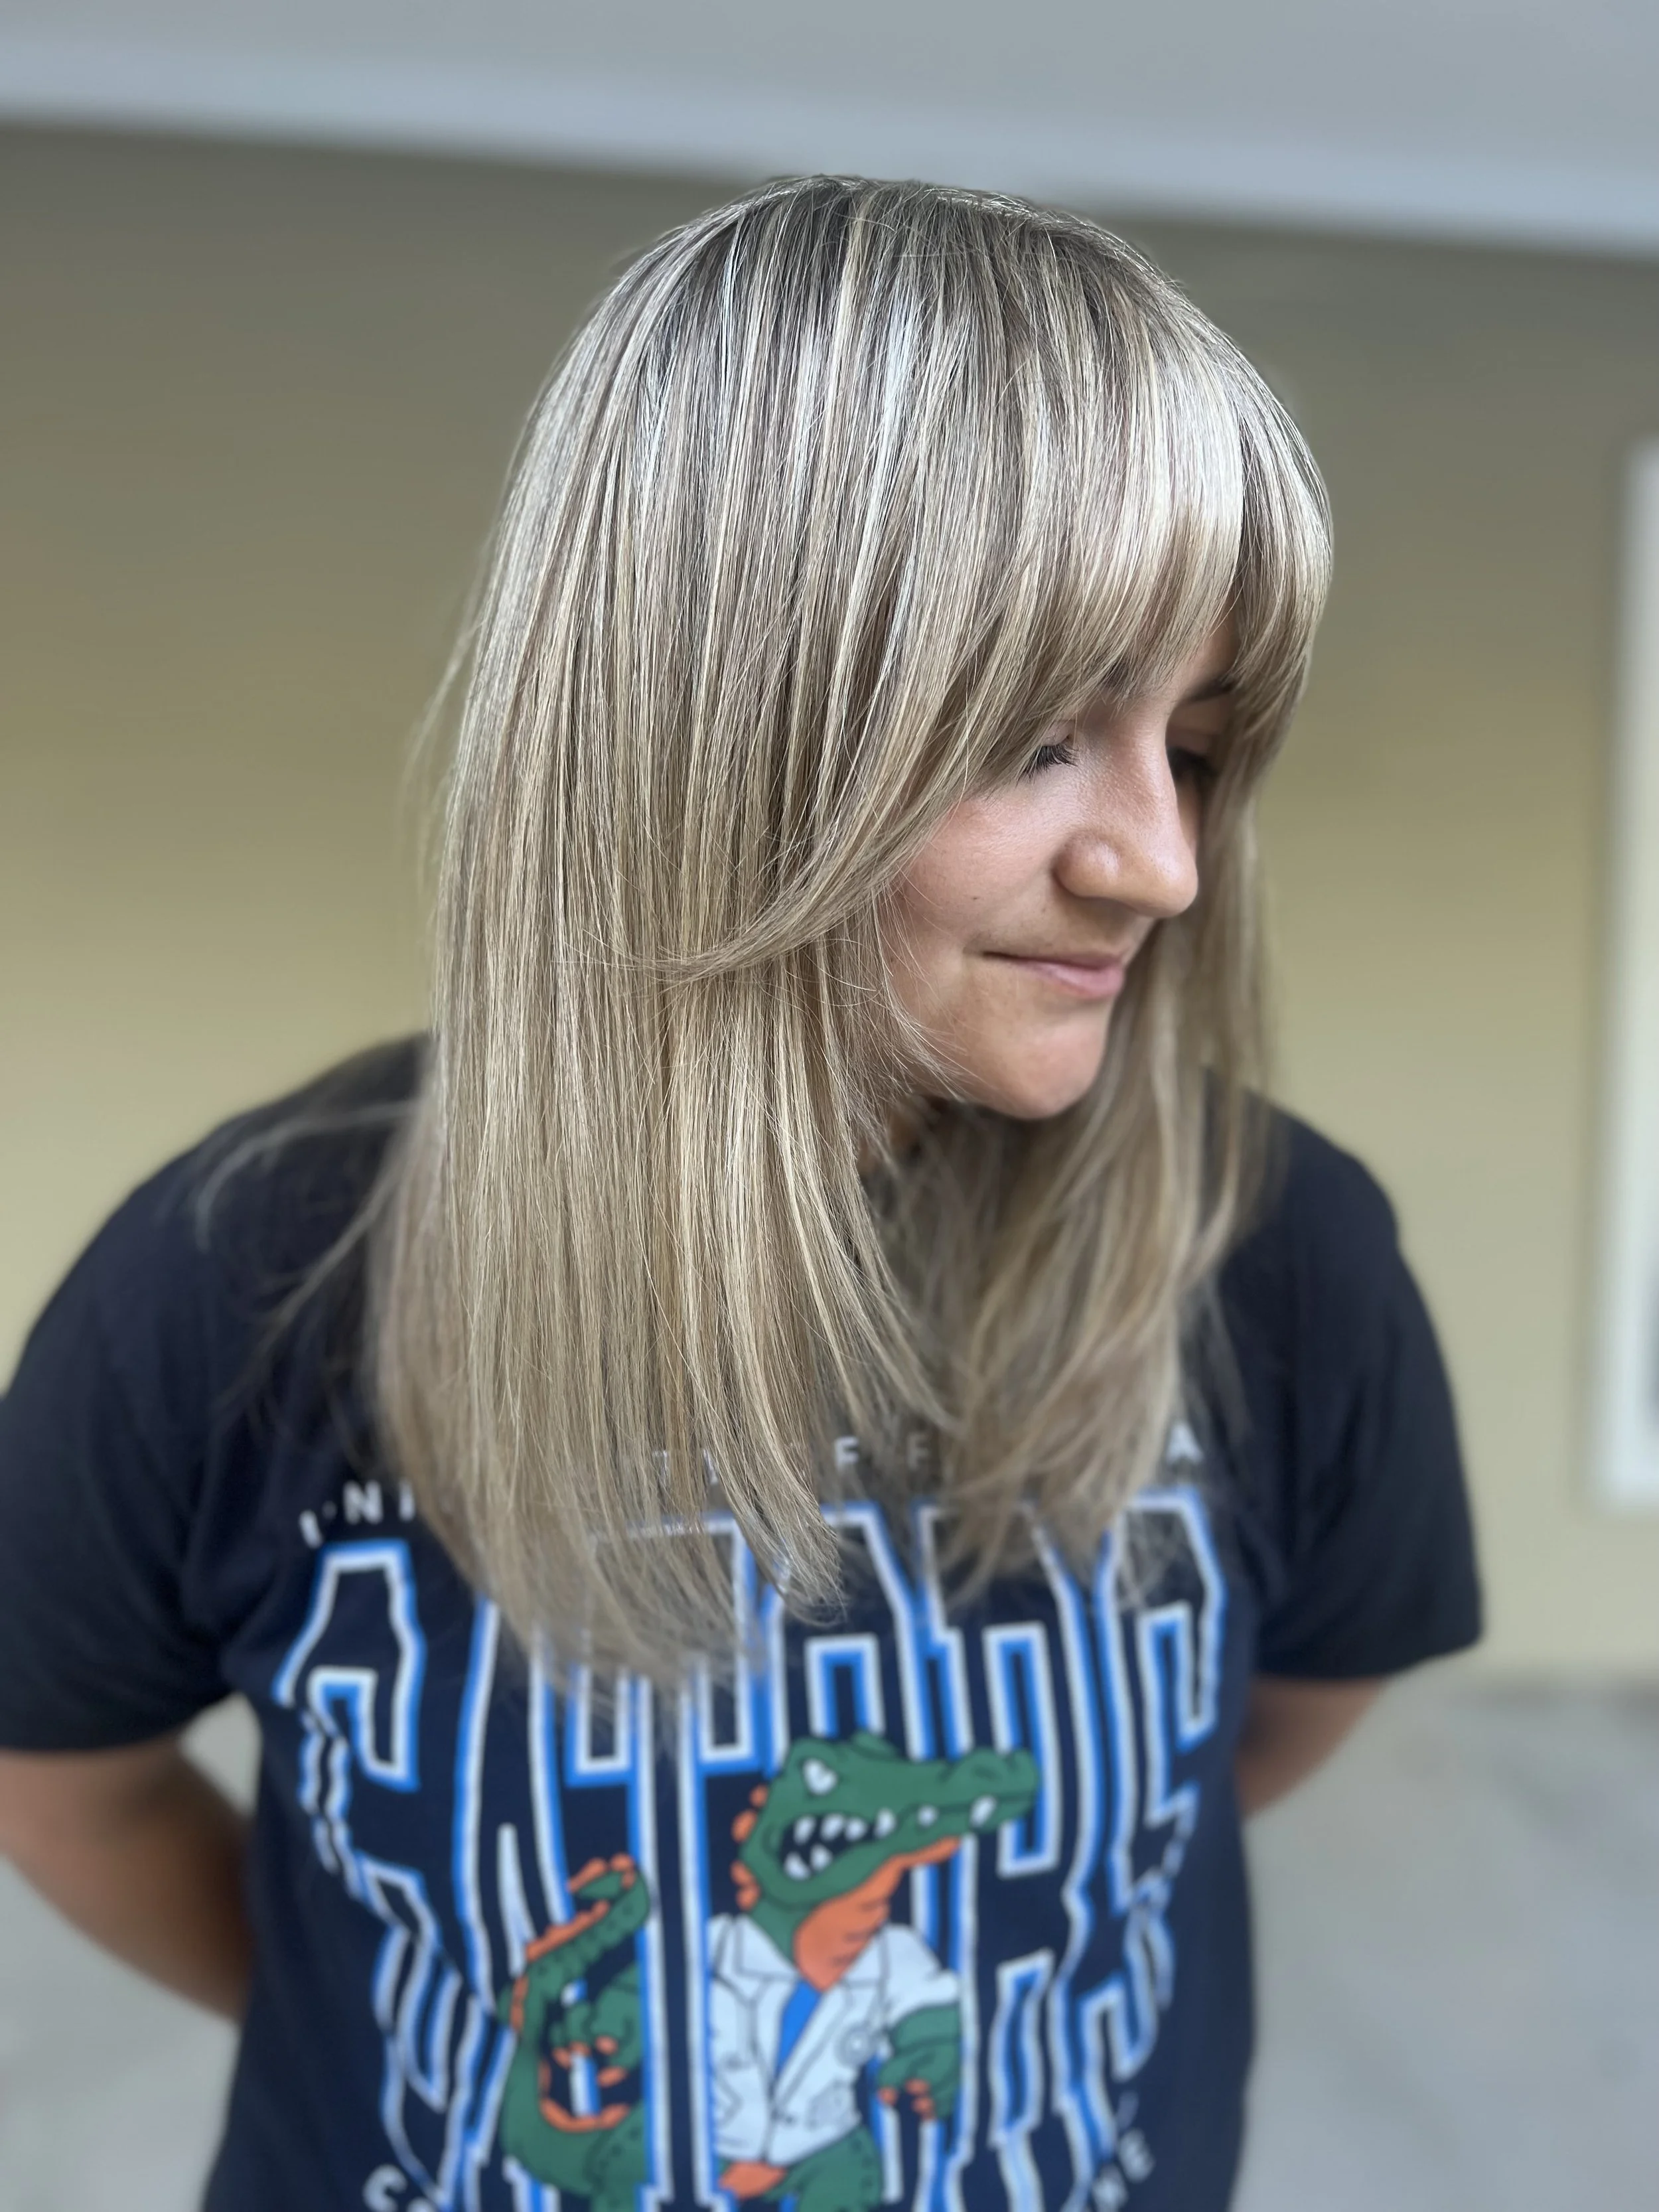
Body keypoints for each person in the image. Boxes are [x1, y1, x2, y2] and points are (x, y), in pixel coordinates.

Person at [0, 177, 1479, 2212]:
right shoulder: (241, 1275)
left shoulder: (1273, 1245)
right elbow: (59, 1784)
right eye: (1044, 737)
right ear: (723, 730)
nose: (1161, 862)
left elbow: (1273, 1723)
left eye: (1198, 749)